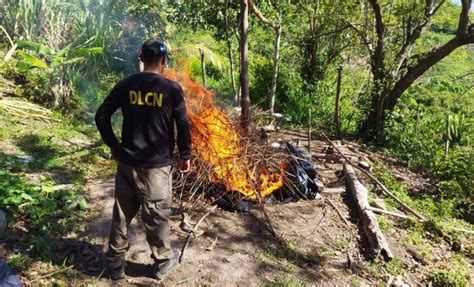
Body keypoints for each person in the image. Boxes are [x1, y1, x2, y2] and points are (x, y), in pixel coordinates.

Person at [95, 39, 191, 280]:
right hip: (155, 167)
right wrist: (185, 156)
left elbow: (101, 115)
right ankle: (162, 262)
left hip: (127, 163)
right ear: (163, 61)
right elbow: (183, 125)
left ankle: (115, 265)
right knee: (157, 214)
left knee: (122, 214)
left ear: (141, 58)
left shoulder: (126, 85)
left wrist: (113, 145)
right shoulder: (172, 89)